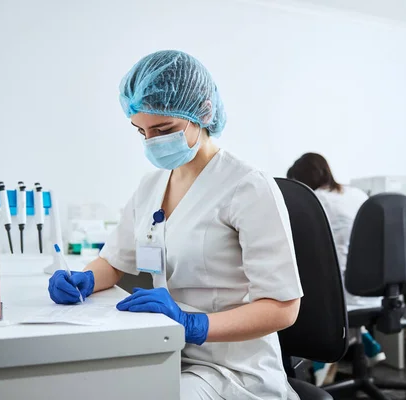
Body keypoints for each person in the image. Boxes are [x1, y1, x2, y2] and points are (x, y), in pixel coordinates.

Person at [47, 50, 303, 400]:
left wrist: (192, 325)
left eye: (163, 129)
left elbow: (283, 307)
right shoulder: (150, 187)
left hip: (233, 370)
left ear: (203, 113)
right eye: (142, 131)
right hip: (165, 351)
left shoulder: (247, 187)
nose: (152, 142)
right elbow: (114, 262)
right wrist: (87, 279)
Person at [287, 153, 385, 386]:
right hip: (376, 290)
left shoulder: (316, 199)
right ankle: (370, 345)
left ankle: (321, 363)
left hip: (343, 293)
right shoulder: (357, 194)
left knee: (292, 298)